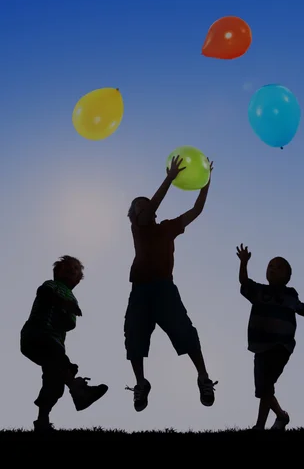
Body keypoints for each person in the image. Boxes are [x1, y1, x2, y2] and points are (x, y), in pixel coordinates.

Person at [124, 155, 217, 412]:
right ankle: (141, 383)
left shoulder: (167, 228)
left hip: (164, 289)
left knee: (184, 330)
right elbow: (152, 206)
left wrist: (206, 182)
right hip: (141, 291)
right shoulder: (138, 229)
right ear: (132, 216)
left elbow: (196, 211)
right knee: (133, 336)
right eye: (139, 208)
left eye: (147, 206)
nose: (145, 209)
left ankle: (203, 377)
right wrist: (169, 177)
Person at [236, 243, 304, 430]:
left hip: (281, 347)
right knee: (263, 388)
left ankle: (260, 426)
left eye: (279, 267)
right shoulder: (259, 291)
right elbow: (244, 282)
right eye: (270, 266)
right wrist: (244, 262)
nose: (273, 269)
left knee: (266, 384)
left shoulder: (291, 295)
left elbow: (303, 310)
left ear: (287, 276)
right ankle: (281, 416)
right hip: (260, 346)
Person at [20, 255, 108, 432]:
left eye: (76, 269)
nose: (72, 270)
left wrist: (67, 310)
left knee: (54, 381)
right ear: (57, 272)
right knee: (62, 364)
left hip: (53, 342)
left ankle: (42, 421)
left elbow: (70, 324)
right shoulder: (52, 286)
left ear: (78, 281)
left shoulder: (72, 298)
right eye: (67, 267)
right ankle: (79, 391)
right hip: (38, 334)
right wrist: (64, 305)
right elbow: (43, 293)